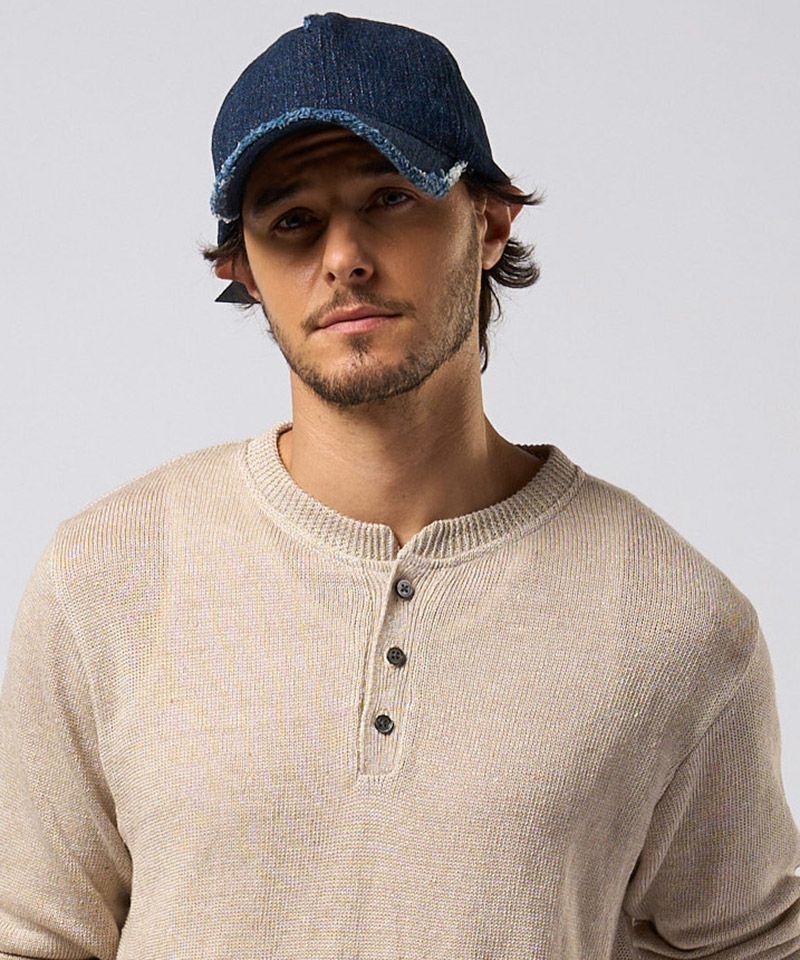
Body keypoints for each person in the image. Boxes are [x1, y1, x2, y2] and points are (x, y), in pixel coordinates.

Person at [1, 11, 798, 959]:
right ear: (241, 268)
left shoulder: (676, 618)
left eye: (389, 197)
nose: (342, 256)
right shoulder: (107, 574)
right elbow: (30, 934)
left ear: (489, 222)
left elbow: (755, 944)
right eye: (292, 222)